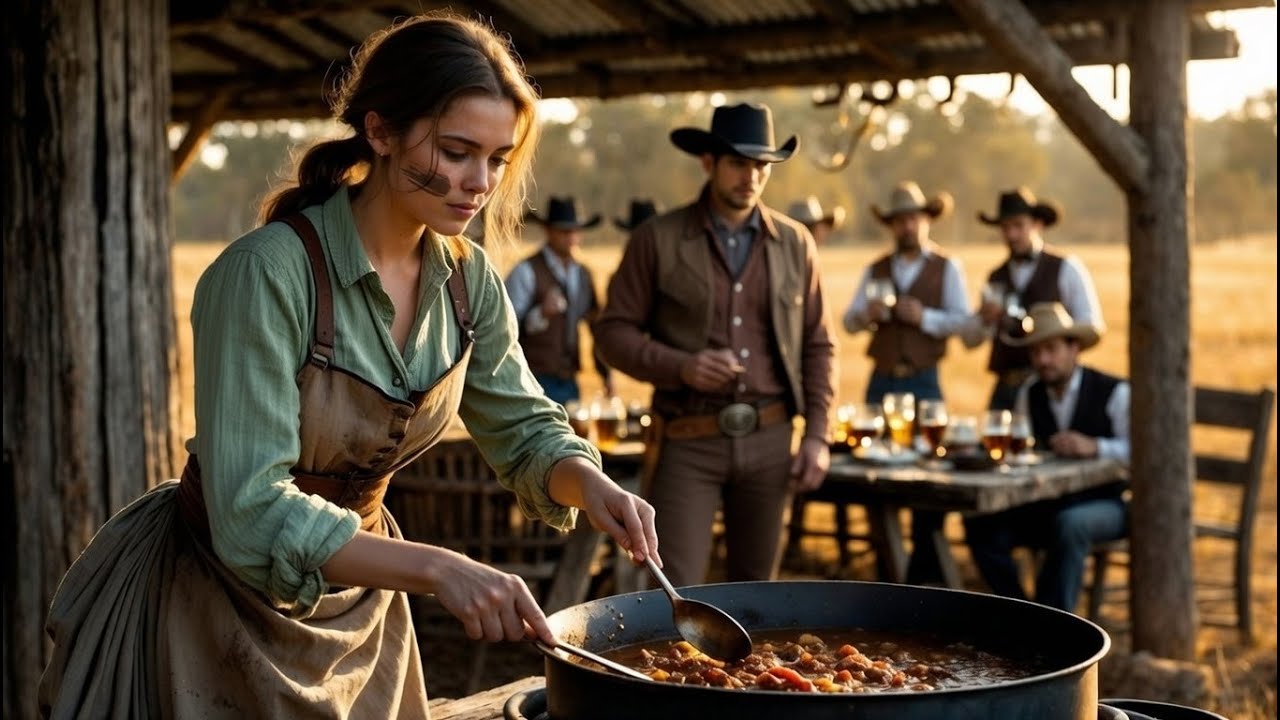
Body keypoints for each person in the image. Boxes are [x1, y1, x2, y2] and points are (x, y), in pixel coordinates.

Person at [38, 14, 658, 717]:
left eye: (497, 159)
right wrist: (437, 569)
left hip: (363, 610)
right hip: (212, 604)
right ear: (380, 132)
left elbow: (525, 430)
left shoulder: (469, 282)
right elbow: (250, 511)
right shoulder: (265, 275)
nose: (479, 182)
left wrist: (590, 483)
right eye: (457, 152)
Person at [594, 102, 836, 588]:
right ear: (708, 162)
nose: (751, 177)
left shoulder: (796, 243)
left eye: (761, 165)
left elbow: (818, 345)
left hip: (771, 439)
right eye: (738, 163)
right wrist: (681, 366)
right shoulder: (656, 239)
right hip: (687, 439)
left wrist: (818, 435)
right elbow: (612, 335)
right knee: (675, 590)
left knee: (759, 595)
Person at [841, 180, 972, 585]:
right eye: (900, 221)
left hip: (924, 381)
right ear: (891, 225)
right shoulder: (876, 269)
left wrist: (925, 318)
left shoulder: (947, 268)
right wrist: (866, 315)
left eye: (913, 219)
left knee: (929, 472)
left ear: (926, 220)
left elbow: (964, 322)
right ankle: (888, 568)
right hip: (881, 381)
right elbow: (849, 322)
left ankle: (923, 571)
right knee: (873, 473)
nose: (907, 227)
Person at [963, 302, 1129, 612]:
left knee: (1071, 524)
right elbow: (1024, 448)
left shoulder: (1114, 392)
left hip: (1108, 503)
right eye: (1036, 352)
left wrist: (1096, 447)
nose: (1043, 360)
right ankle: (1021, 614)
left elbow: (1140, 454)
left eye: (1051, 349)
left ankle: (1057, 623)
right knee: (980, 524)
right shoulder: (1030, 392)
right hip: (1049, 501)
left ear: (1074, 348)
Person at [963, 187, 1105, 411]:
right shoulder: (995, 277)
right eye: (1005, 228)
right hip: (1006, 387)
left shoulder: (1066, 268)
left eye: (1018, 225)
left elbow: (1090, 324)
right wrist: (983, 320)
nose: (1011, 235)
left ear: (1037, 224)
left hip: (1050, 386)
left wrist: (1054, 349)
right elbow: (970, 341)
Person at [504, 196, 612, 405]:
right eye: (564, 231)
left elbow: (596, 327)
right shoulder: (525, 271)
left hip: (569, 380)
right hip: (530, 379)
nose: (571, 238)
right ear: (549, 231)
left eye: (576, 231)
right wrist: (541, 313)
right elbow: (506, 329)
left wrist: (606, 373)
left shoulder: (583, 275)